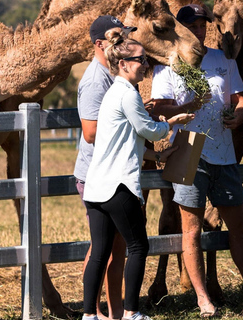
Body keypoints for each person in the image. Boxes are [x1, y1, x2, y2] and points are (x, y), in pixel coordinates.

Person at [150, 4, 243, 317]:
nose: (198, 30)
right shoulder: (168, 65)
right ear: (182, 29)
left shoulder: (222, 60)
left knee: (238, 222)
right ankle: (202, 298)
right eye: (192, 26)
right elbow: (159, 109)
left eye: (202, 25)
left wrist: (240, 115)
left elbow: (241, 99)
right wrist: (188, 105)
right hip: (186, 148)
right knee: (191, 229)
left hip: (222, 150)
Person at [81, 28, 194, 320]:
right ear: (123, 64)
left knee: (99, 254)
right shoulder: (128, 94)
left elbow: (122, 141)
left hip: (97, 188)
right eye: (140, 59)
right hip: (119, 187)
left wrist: (155, 156)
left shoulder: (113, 93)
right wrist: (171, 122)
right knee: (138, 246)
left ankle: (88, 316)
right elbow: (148, 130)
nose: (146, 64)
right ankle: (132, 312)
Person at [74, 15, 137, 320]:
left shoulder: (113, 72)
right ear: (99, 43)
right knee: (102, 247)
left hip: (111, 171)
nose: (121, 40)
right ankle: (92, 311)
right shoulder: (94, 80)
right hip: (96, 174)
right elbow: (90, 131)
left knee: (116, 247)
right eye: (116, 35)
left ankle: (112, 312)